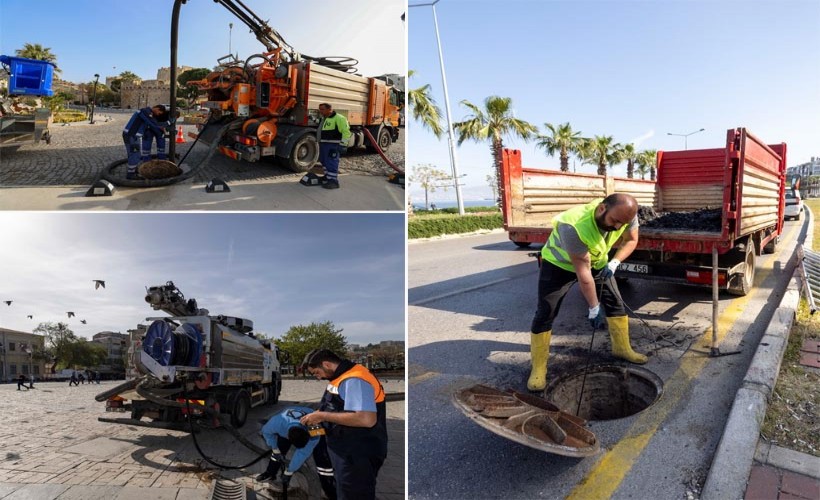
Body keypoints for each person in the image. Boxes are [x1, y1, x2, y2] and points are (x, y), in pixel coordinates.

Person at [527, 193, 648, 391]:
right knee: (546, 311)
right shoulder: (573, 226)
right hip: (559, 265)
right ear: (602, 209)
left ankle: (622, 349)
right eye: (615, 221)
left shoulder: (627, 215)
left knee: (615, 302)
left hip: (598, 262)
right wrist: (593, 307)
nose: (618, 227)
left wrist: (615, 262)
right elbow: (584, 274)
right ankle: (539, 368)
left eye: (622, 223)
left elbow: (631, 240)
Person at [299, 349, 387, 500]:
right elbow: (336, 406)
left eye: (316, 372)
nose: (318, 377)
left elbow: (366, 419)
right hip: (347, 451)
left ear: (327, 364)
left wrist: (321, 415)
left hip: (357, 454)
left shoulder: (354, 380)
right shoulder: (340, 378)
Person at [257, 406, 337, 499]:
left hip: (311, 415)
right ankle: (270, 473)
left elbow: (302, 454)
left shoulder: (314, 429)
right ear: (287, 436)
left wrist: (289, 471)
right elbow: (266, 432)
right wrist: (274, 448)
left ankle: (330, 490)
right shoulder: (277, 422)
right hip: (288, 418)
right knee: (279, 450)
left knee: (322, 457)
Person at [122, 104, 172, 180]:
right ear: (157, 108)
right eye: (159, 113)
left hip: (130, 135)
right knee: (136, 154)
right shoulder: (145, 111)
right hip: (132, 136)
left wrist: (165, 124)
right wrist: (166, 124)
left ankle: (133, 169)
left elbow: (153, 122)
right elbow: (152, 123)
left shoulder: (147, 113)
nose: (157, 115)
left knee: (132, 153)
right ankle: (131, 174)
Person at [316, 103, 351, 190]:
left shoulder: (339, 118)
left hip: (333, 144)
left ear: (329, 109)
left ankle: (333, 181)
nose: (320, 111)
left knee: (331, 161)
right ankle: (328, 177)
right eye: (320, 109)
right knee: (323, 160)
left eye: (322, 109)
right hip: (324, 143)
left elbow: (346, 132)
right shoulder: (324, 118)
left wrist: (343, 145)